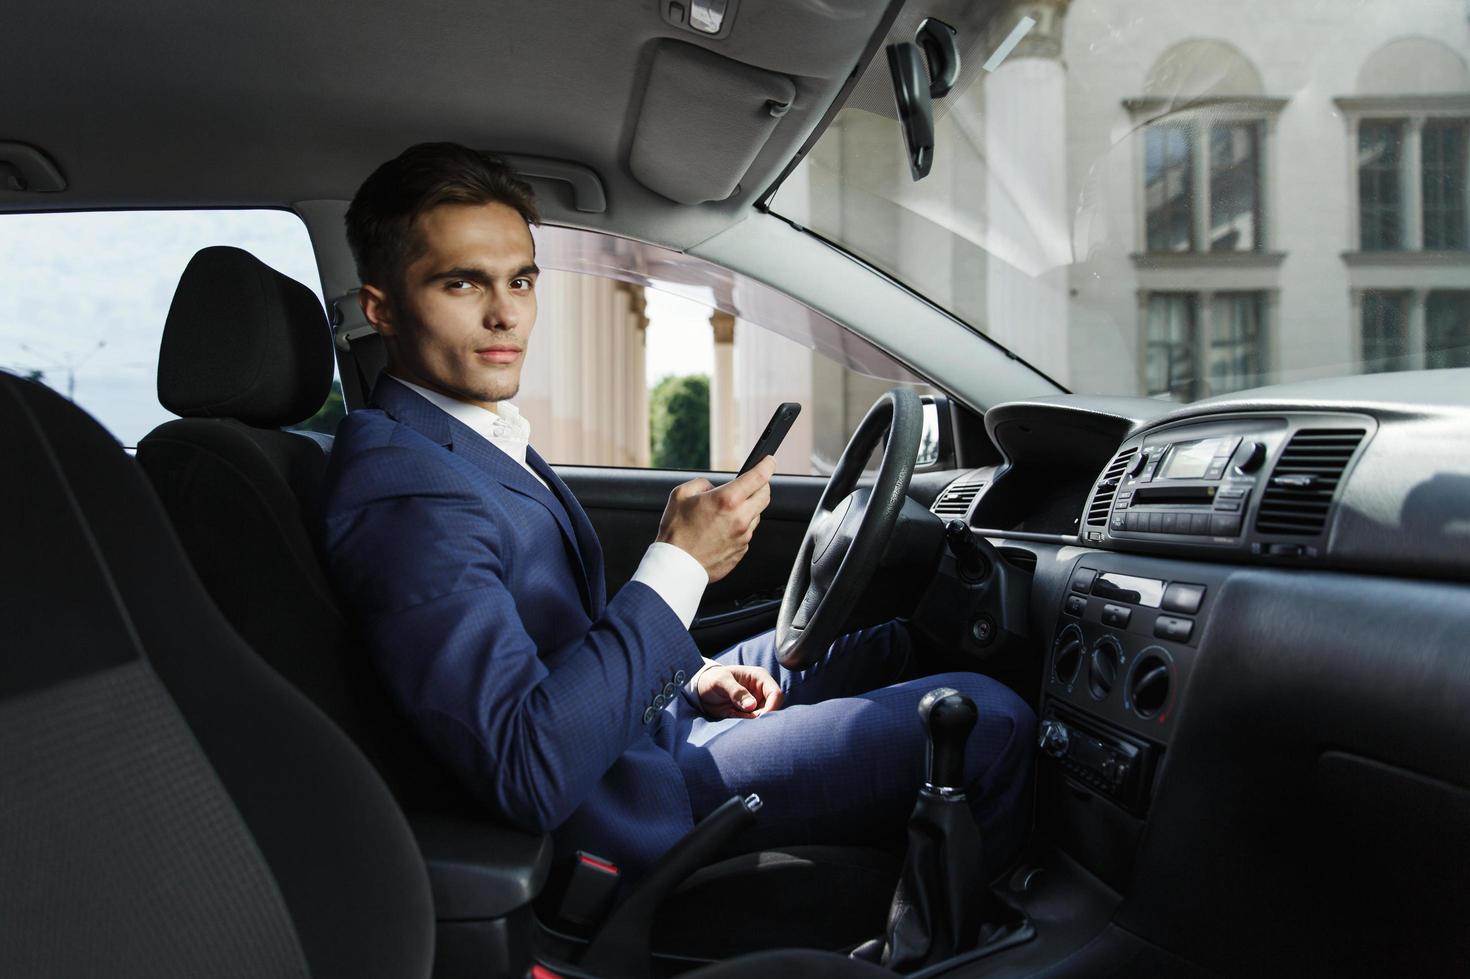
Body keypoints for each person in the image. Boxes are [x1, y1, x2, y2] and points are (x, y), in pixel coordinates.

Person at [320, 143, 1036, 880]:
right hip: (635, 795)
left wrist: (690, 678)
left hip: (642, 721)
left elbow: (552, 635)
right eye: (463, 283)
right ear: (382, 308)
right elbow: (528, 765)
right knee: (990, 717)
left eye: (522, 280)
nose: (506, 314)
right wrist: (680, 563)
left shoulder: (461, 434)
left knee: (893, 642)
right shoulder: (400, 485)